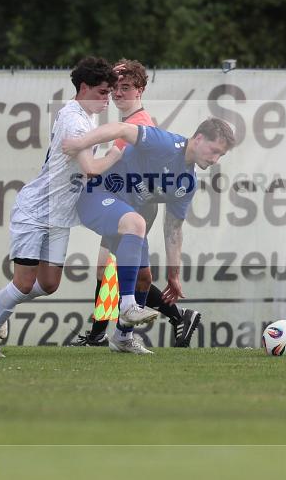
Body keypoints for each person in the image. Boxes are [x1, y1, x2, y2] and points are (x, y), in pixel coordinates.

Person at [0, 56, 127, 358]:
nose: (107, 99)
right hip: (35, 210)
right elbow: (90, 169)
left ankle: (0, 298)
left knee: (48, 284)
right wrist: (116, 152)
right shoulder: (73, 119)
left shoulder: (87, 116)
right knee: (23, 283)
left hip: (59, 214)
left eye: (109, 93)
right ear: (83, 88)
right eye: (102, 92)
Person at [63, 117, 235, 354]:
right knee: (136, 224)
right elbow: (122, 129)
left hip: (126, 215)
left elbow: (173, 229)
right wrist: (80, 143)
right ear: (198, 138)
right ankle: (127, 307)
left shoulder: (187, 183)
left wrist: (174, 275)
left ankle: (123, 338)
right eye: (214, 151)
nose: (215, 160)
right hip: (96, 195)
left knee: (144, 278)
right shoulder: (166, 144)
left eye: (220, 156)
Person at [71, 59, 203, 349]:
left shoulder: (136, 123)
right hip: (124, 201)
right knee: (120, 271)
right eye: (115, 88)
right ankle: (170, 318)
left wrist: (82, 159)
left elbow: (106, 164)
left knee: (114, 269)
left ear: (140, 90)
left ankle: (107, 333)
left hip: (136, 205)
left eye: (126, 87)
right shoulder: (131, 120)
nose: (118, 93)